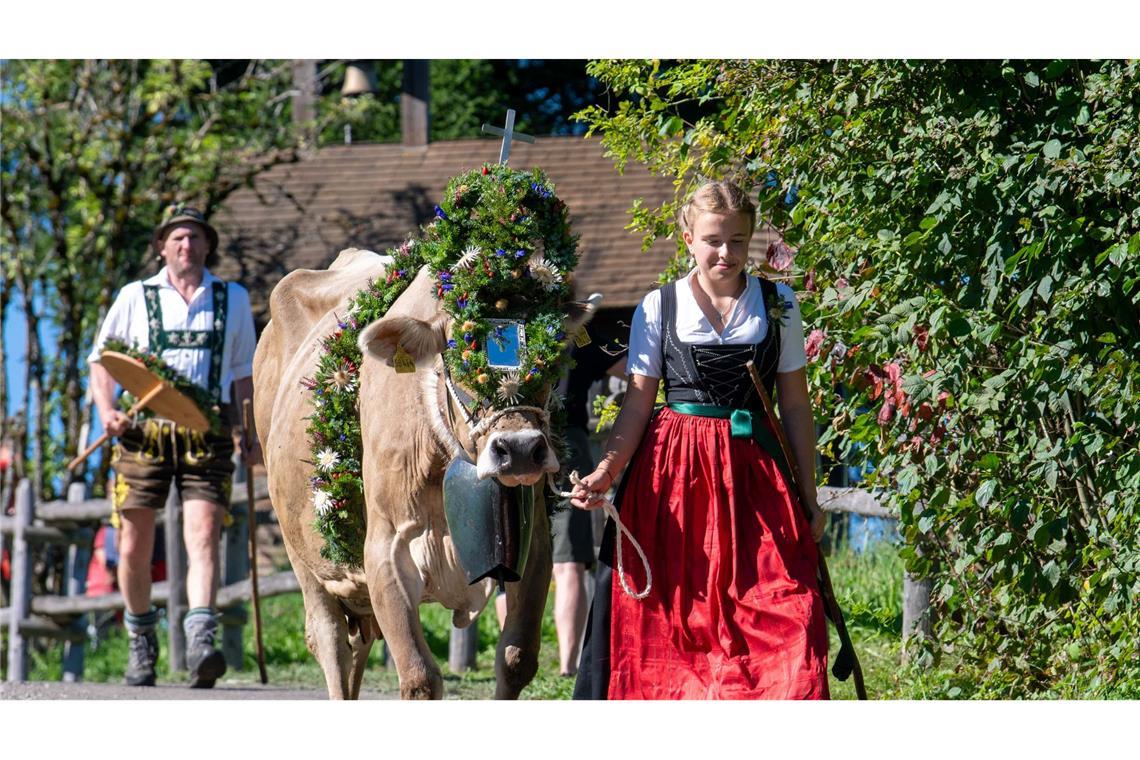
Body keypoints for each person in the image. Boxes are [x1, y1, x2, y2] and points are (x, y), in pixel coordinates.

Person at [569, 180, 829, 700]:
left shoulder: (779, 305)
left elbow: (796, 408)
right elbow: (638, 404)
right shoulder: (658, 307)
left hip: (757, 482)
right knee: (674, 628)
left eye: (737, 240)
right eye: (713, 239)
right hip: (673, 482)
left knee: (792, 617)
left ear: (750, 238)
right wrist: (606, 472)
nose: (725, 253)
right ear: (687, 237)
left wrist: (809, 494)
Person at [88, 204, 261, 688]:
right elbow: (101, 362)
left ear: (209, 246)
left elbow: (244, 373)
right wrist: (107, 410)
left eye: (195, 238)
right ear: (162, 247)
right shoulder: (133, 297)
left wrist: (248, 428)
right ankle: (141, 643)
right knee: (133, 542)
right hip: (142, 433)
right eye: (178, 238)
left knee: (203, 533)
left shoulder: (234, 299)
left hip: (207, 432)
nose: (187, 246)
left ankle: (201, 643)